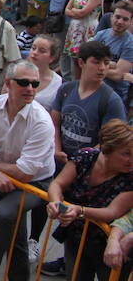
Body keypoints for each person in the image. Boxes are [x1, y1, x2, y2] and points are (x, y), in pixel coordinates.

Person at [0, 61, 56, 281]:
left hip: (37, 183)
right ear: (8, 84)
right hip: (5, 178)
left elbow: (26, 172)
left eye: (35, 84)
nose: (30, 89)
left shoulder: (42, 122)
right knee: (16, 236)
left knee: (4, 214)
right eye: (24, 83)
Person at [46, 120, 133, 281]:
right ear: (108, 150)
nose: (131, 160)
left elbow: (112, 212)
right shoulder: (85, 157)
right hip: (76, 237)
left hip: (109, 244)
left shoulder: (130, 178)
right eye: (126, 153)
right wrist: (56, 202)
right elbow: (57, 183)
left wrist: (80, 211)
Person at [65, 0, 106, 73]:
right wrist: (76, 12)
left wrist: (73, 10)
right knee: (75, 60)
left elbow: (84, 12)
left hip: (88, 29)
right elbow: (66, 10)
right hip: (75, 28)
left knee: (86, 59)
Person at [93, 2, 133, 106]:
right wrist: (112, 64)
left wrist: (95, 66)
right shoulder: (101, 35)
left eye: (125, 19)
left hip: (114, 95)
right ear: (111, 17)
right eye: (117, 17)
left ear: (131, 22)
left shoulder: (130, 43)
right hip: (93, 87)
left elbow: (118, 75)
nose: (120, 22)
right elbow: (85, 59)